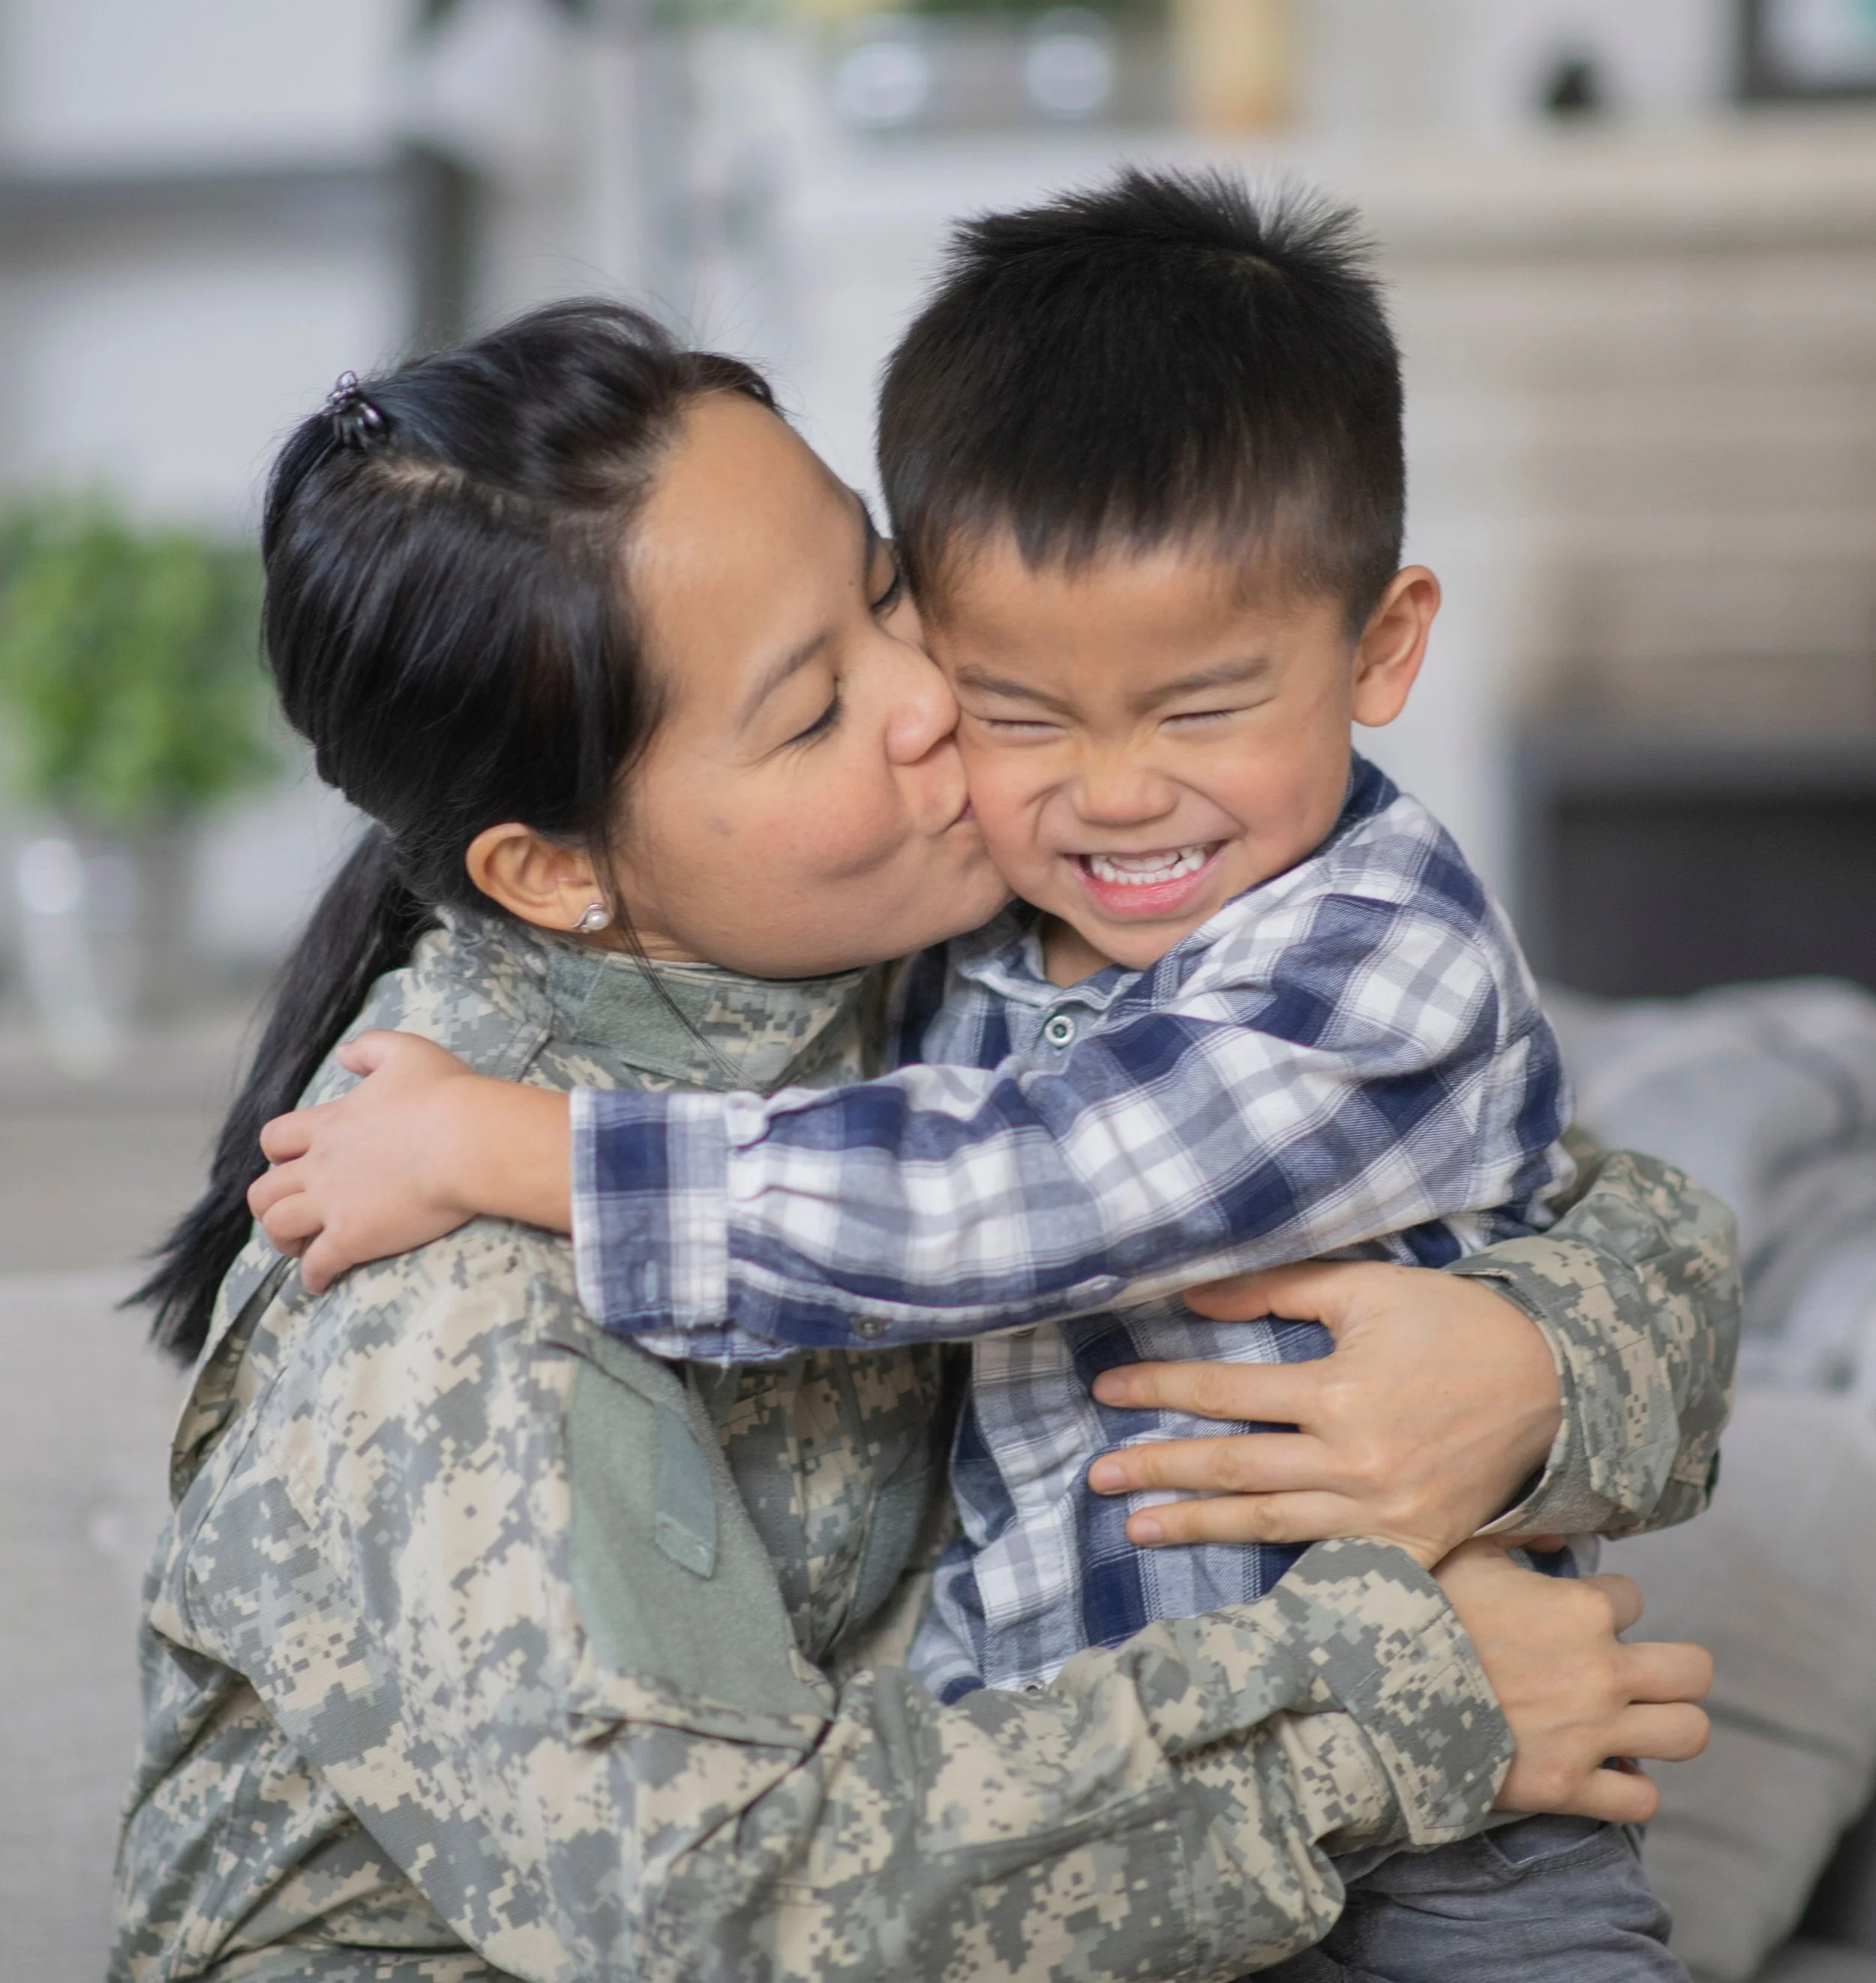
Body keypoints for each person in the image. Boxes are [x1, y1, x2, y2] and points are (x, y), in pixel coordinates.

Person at [119, 298, 1720, 1983]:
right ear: (552, 871)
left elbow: (1537, 1164)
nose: (930, 699)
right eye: (811, 712)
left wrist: (1531, 1365)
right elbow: (721, 1908)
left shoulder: (905, 949)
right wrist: (1404, 1698)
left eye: (887, 588)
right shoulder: (445, 1295)